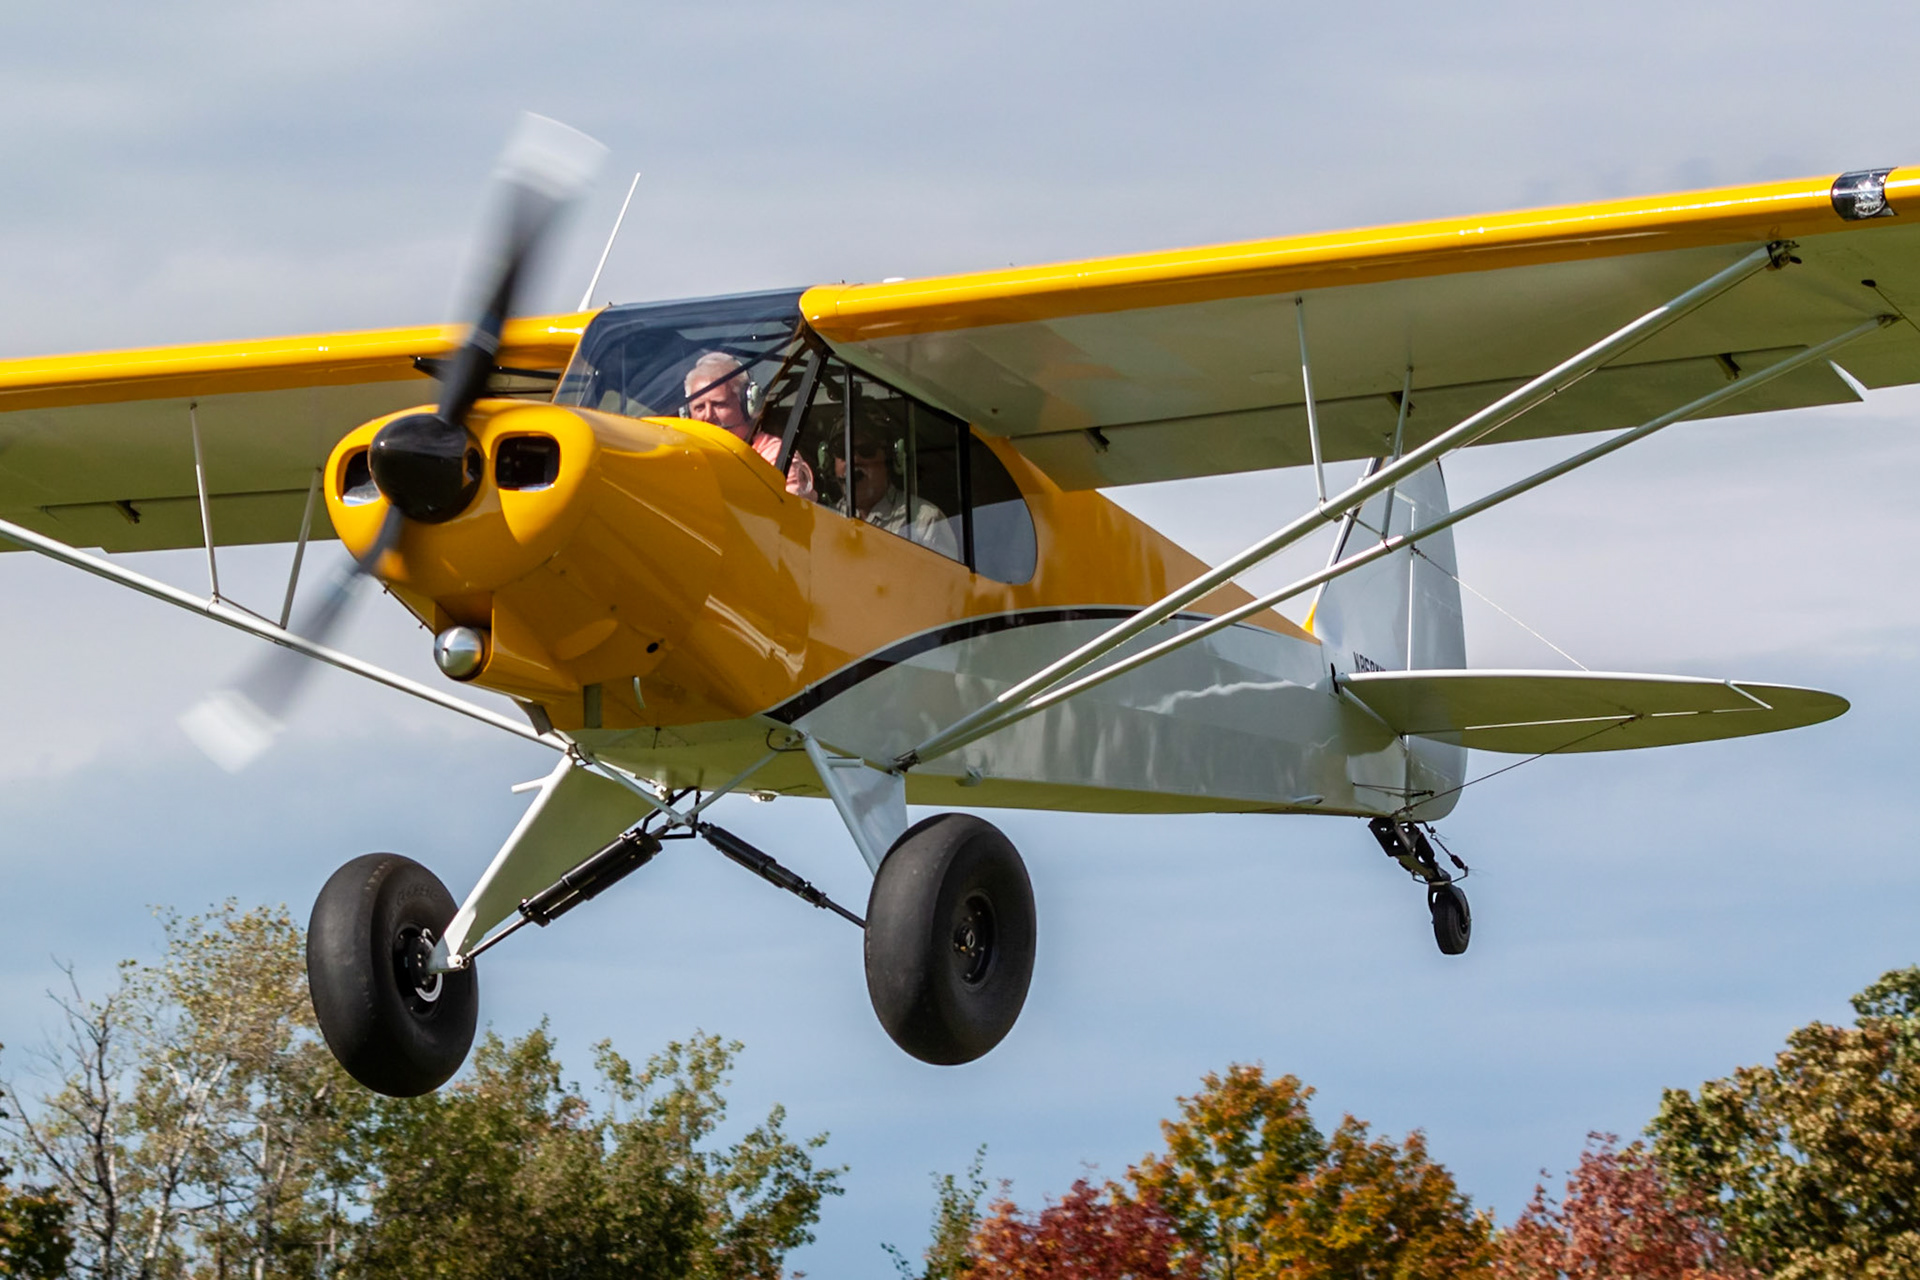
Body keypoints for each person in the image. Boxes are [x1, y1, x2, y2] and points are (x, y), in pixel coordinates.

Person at [683, 351, 815, 499]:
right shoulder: (683, 458)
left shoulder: (776, 457)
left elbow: (784, 516)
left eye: (719, 405)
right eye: (699, 407)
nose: (707, 416)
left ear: (748, 406)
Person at [835, 423, 960, 558]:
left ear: (891, 459)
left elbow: (946, 579)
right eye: (843, 451)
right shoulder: (827, 517)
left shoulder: (925, 520)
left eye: (866, 450)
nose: (853, 460)